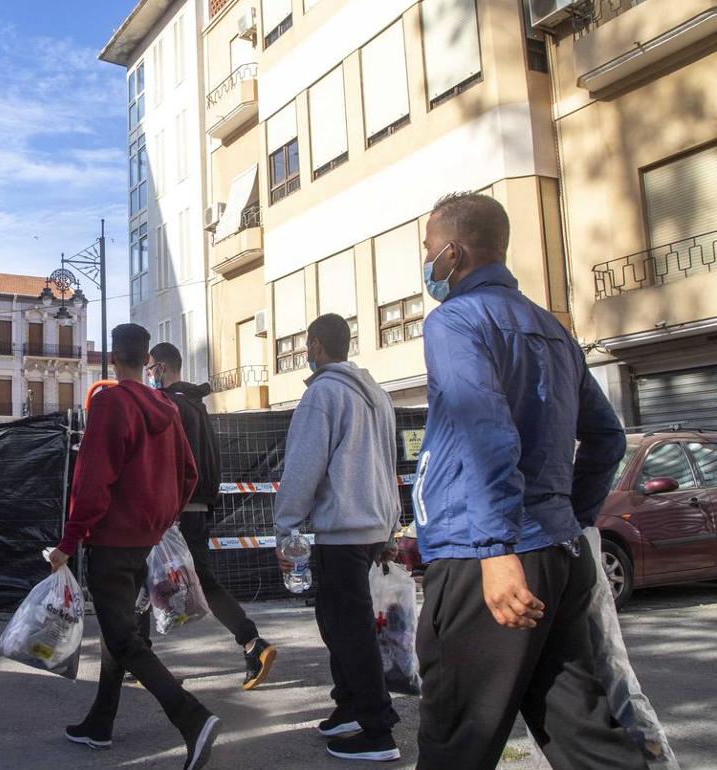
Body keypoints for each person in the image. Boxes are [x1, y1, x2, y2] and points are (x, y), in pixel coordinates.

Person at [413, 192, 645, 770]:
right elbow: (607, 438)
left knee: (456, 738)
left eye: (428, 249)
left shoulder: (454, 320)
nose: (426, 262)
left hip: (483, 555)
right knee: (581, 728)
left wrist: (496, 550)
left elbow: (484, 430)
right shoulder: (551, 328)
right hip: (556, 551)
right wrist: (572, 518)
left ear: (452, 253)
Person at [49, 324, 221, 770]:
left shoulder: (109, 403)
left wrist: (68, 542)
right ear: (148, 360)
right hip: (145, 540)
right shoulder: (168, 407)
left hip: (111, 542)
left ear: (112, 359)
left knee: (124, 639)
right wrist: (161, 520)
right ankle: (100, 723)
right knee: (119, 633)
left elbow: (91, 481)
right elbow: (188, 473)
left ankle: (193, 718)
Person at [273, 313, 403, 763]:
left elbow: (303, 465)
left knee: (349, 630)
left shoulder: (323, 395)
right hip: (370, 526)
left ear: (315, 346)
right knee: (337, 622)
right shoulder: (378, 394)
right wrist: (391, 526)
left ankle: (377, 729)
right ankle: (348, 705)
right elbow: (388, 462)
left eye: (305, 346)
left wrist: (287, 527)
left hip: (342, 530)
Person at [143, 342, 276, 690]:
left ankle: (140, 659)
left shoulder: (167, 405)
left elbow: (162, 460)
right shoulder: (197, 406)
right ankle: (251, 643)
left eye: (150, 369)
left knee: (141, 576)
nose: (148, 375)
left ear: (160, 369)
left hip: (173, 511)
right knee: (195, 579)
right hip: (198, 507)